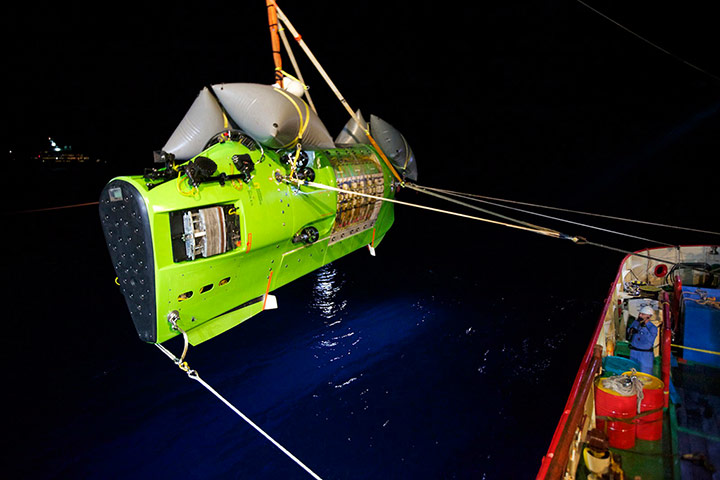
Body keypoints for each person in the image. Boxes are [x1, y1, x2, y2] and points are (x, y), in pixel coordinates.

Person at [626, 305, 658, 375]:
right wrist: (631, 330)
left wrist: (643, 328)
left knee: (645, 374)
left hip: (645, 355)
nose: (640, 315)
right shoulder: (636, 323)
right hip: (634, 352)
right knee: (632, 372)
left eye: (642, 314)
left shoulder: (653, 328)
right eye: (640, 313)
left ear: (648, 316)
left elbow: (650, 339)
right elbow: (629, 330)